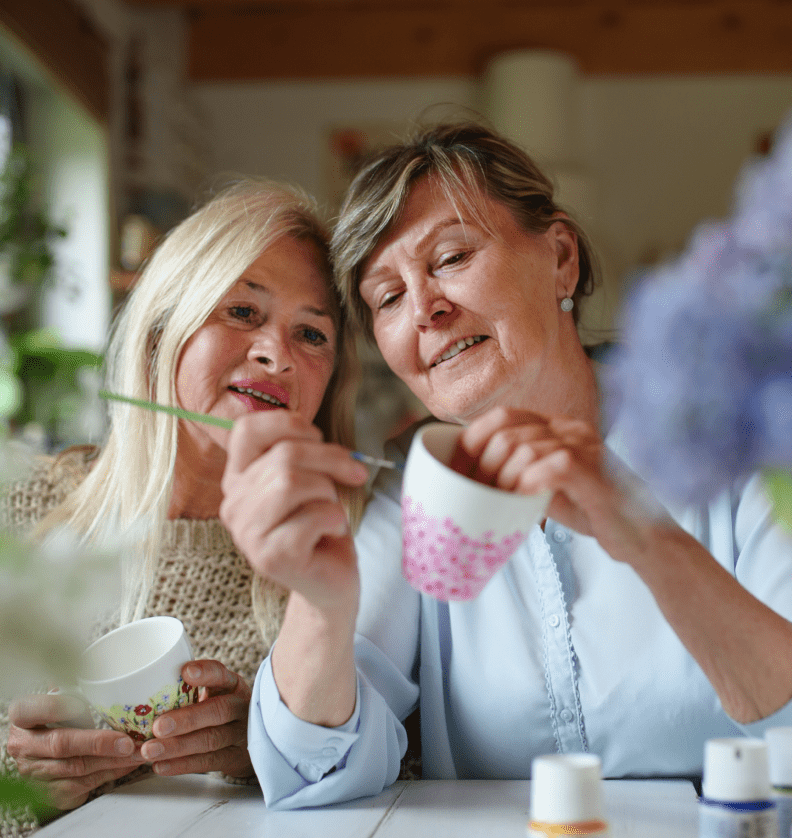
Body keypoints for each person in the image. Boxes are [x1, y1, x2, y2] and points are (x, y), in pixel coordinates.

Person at [220, 122, 792, 810]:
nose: (425, 310)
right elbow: (310, 770)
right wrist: (321, 601)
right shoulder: (412, 485)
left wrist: (644, 536)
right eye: (388, 298)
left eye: (452, 257)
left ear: (561, 259)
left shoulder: (737, 433)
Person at [1, 177, 367, 835]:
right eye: (243, 312)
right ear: (160, 333)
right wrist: (20, 784)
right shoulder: (19, 506)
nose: (275, 354)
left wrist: (271, 745)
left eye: (312, 334)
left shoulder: (345, 546)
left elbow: (403, 767)